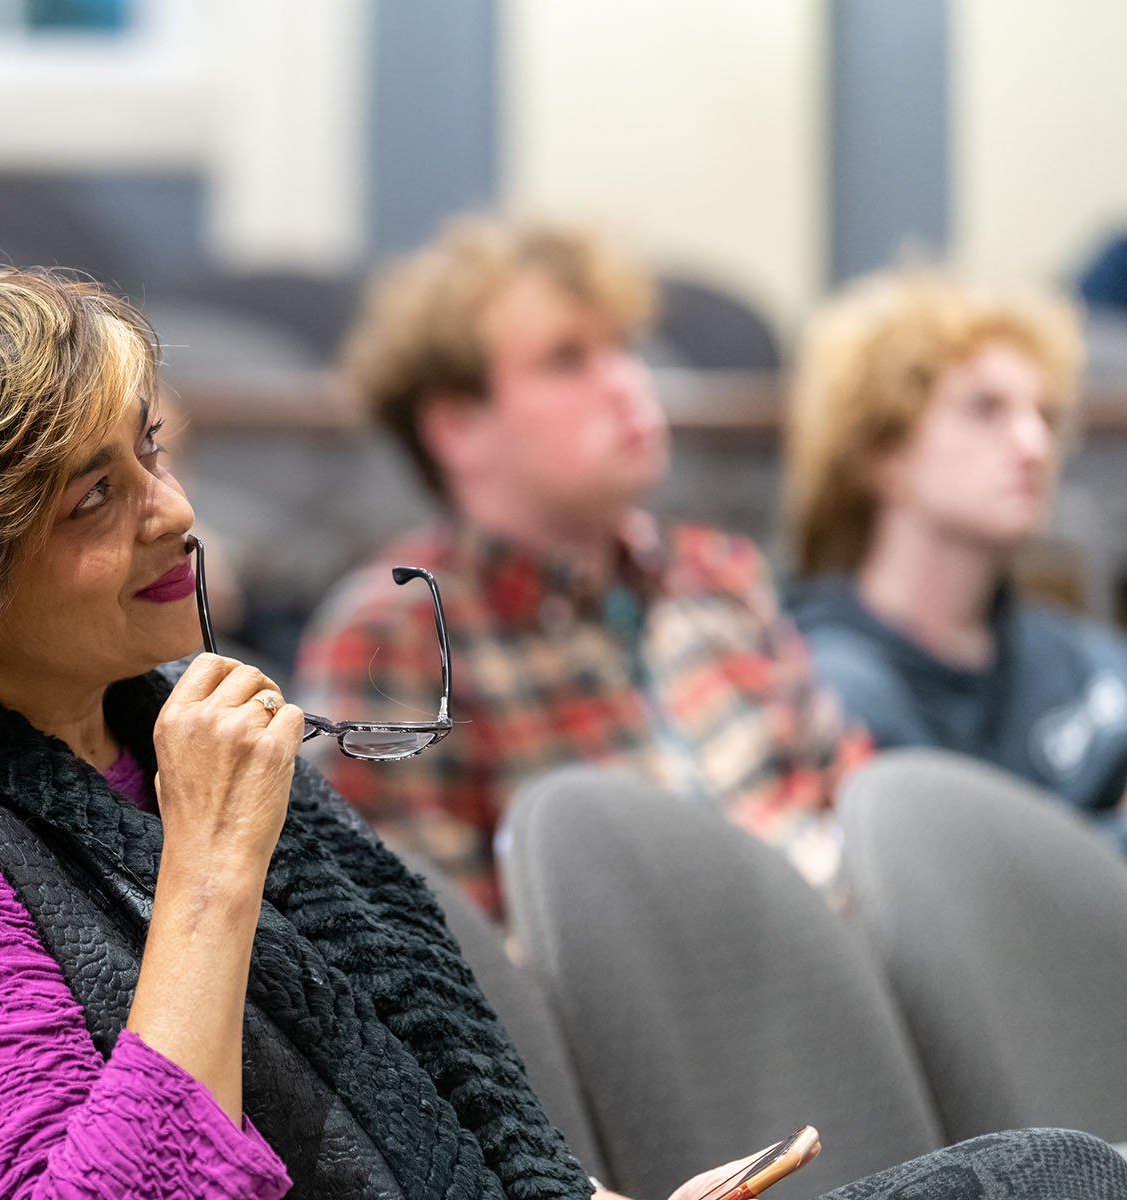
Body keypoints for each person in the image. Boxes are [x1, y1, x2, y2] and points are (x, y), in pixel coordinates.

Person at [0, 256, 1126, 1200]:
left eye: (149, 450)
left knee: (1060, 1175)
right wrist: (208, 874)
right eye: (91, 498)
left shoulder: (162, 749)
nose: (177, 513)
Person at [292, 216, 866, 918]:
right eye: (567, 360)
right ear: (456, 427)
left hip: (829, 984)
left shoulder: (719, 576)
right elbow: (428, 967)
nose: (629, 383)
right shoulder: (398, 637)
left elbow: (851, 807)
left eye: (623, 348)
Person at [783, 270, 1127, 850]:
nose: (1033, 446)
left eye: (1045, 416)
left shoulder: (1079, 657)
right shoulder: (824, 680)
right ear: (880, 454)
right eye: (985, 409)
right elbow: (951, 907)